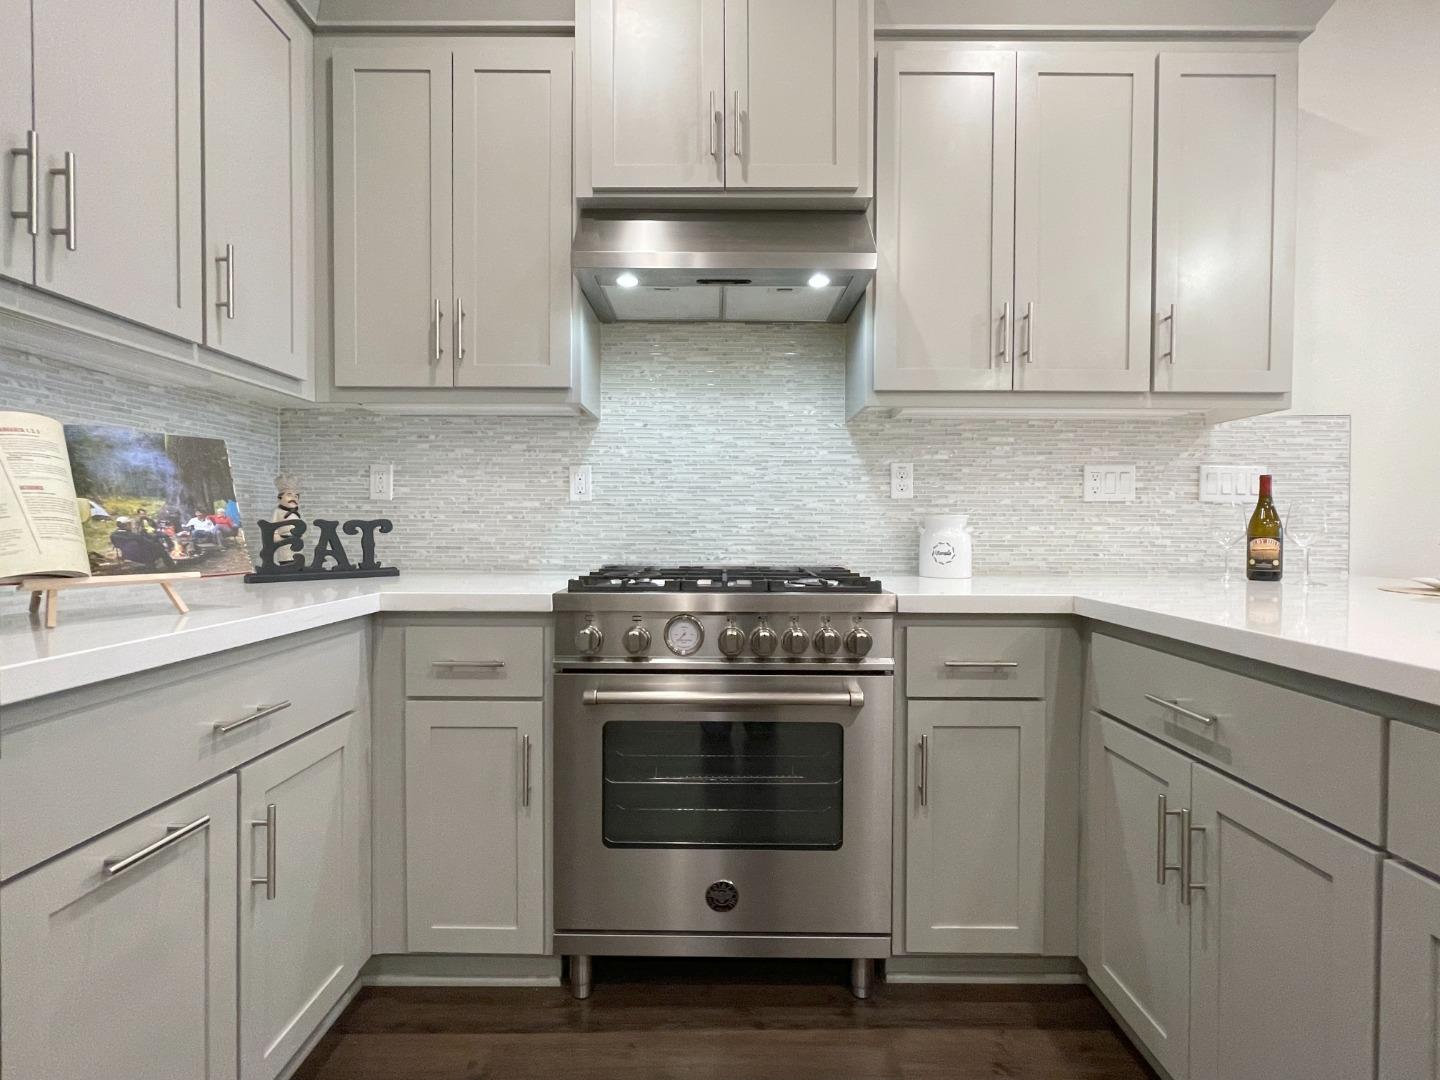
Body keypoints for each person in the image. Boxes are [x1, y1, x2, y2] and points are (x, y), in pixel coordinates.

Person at [110, 516, 176, 570]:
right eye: (129, 524)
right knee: (161, 550)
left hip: (127, 555)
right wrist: (158, 544)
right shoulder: (134, 536)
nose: (131, 525)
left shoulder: (113, 535)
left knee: (151, 548)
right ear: (126, 525)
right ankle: (172, 567)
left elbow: (116, 546)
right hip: (141, 557)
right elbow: (149, 543)